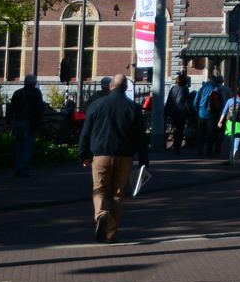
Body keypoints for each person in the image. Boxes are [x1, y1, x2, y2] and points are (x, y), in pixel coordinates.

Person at [78, 72, 149, 244]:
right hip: (124, 156)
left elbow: (86, 132)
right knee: (118, 196)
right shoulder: (133, 107)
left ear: (110, 86)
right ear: (126, 88)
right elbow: (141, 136)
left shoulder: (96, 105)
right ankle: (111, 234)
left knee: (99, 190)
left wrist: (83, 154)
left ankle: (102, 215)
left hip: (101, 154)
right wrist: (143, 160)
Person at [7, 76, 45, 178]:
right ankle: (24, 170)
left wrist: (8, 121)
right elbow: (40, 108)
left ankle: (18, 168)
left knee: (19, 146)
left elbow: (11, 108)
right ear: (33, 83)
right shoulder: (36, 93)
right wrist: (38, 122)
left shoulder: (18, 93)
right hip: (29, 122)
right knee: (27, 147)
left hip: (18, 122)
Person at [220, 84, 240, 161]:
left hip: (230, 121)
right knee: (238, 136)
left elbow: (224, 111)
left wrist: (220, 121)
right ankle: (235, 150)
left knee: (230, 136)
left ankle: (227, 149)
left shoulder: (229, 101)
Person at [195, 74, 223, 157]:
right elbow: (221, 102)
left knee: (201, 132)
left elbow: (195, 102)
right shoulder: (217, 88)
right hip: (212, 114)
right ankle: (209, 151)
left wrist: (198, 111)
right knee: (211, 133)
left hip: (201, 113)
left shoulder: (202, 88)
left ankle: (200, 147)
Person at [165, 73, 193, 154]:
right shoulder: (185, 90)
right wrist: (190, 113)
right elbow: (187, 103)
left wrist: (166, 112)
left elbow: (169, 101)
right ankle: (177, 147)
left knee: (175, 129)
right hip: (182, 112)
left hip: (173, 112)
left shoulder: (173, 88)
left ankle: (174, 146)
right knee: (180, 130)